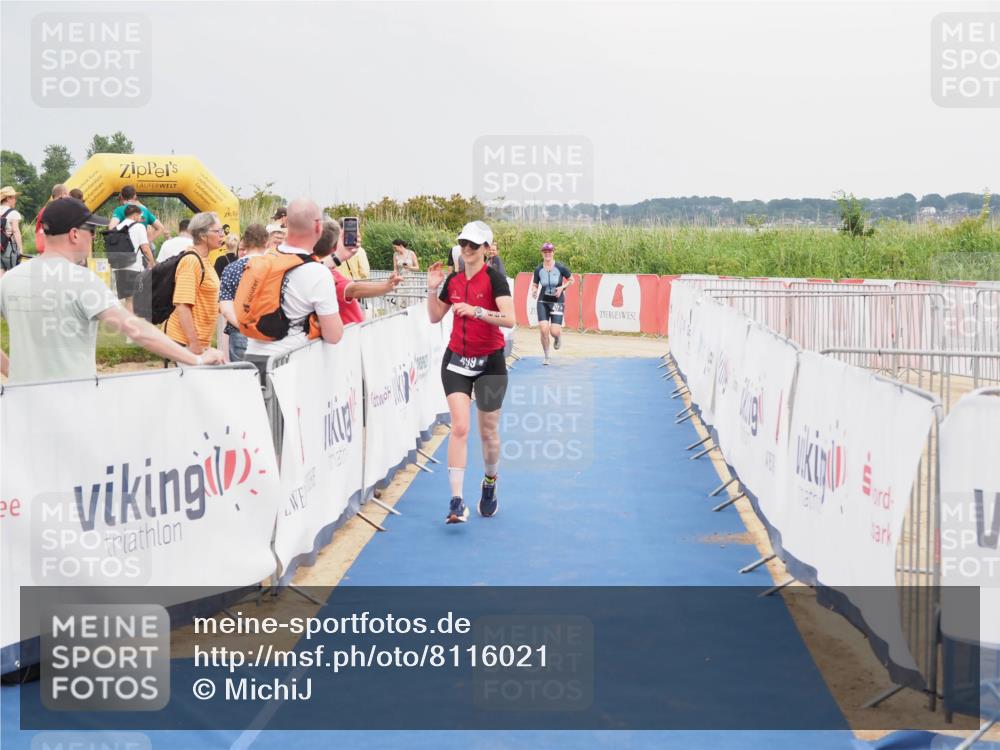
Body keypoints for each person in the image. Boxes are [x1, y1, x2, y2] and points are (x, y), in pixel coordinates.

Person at [0, 198, 223, 384]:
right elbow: (136, 330)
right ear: (75, 234)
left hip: (23, 403)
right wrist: (197, 360)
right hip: (72, 400)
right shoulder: (82, 280)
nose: (95, 237)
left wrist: (15, 374)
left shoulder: (10, 279)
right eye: (93, 230)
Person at [426, 220, 515, 524]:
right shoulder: (453, 281)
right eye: (463, 243)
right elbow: (435, 316)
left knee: (488, 433)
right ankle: (456, 501)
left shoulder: (495, 281)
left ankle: (490, 482)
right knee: (460, 427)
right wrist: (432, 289)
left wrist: (477, 311)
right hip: (457, 361)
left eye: (473, 245)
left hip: (490, 362)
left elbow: (510, 319)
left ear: (487, 250)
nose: (466, 249)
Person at [243, 199, 343, 378]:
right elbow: (334, 335)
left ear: (286, 223)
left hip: (252, 359)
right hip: (288, 366)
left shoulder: (265, 258)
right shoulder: (317, 273)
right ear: (318, 227)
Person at [318, 220, 402, 325]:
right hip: (348, 331)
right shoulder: (329, 276)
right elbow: (356, 285)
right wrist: (385, 286)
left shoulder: (312, 266)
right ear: (334, 245)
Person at [164, 212, 223, 358]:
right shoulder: (191, 261)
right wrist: (194, 344)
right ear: (203, 236)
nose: (222, 235)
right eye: (218, 231)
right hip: (184, 343)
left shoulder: (205, 260)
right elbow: (182, 305)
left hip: (199, 343)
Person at [218, 224, 268, 362]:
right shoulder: (273, 267)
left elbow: (226, 309)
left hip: (239, 331)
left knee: (242, 378)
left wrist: (244, 328)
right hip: (268, 331)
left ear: (244, 243)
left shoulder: (230, 269)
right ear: (266, 242)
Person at [531, 242, 573, 365]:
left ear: (553, 253)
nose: (547, 254)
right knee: (543, 329)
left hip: (557, 301)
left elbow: (572, 280)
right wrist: (534, 290)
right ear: (542, 253)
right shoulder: (539, 269)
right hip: (542, 301)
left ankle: (557, 337)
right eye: (545, 252)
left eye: (549, 251)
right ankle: (547, 356)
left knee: (554, 331)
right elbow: (535, 283)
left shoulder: (560, 267)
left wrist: (562, 287)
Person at [113, 204, 157, 313]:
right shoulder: (139, 227)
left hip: (119, 267)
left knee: (128, 299)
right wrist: (152, 262)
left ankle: (129, 326)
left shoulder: (117, 227)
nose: (140, 218)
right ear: (135, 215)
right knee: (135, 299)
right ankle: (134, 326)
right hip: (133, 267)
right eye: (140, 216)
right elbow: (145, 248)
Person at [34, 183, 69, 255]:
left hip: (43, 251)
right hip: (56, 252)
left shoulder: (43, 209)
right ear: (62, 194)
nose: (68, 197)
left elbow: (37, 229)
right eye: (67, 194)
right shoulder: (61, 210)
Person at [0, 186, 24, 273]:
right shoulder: (13, 213)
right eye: (14, 198)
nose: (15, 200)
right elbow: (15, 231)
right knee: (13, 273)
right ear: (8, 198)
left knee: (1, 273)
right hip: (10, 248)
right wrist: (20, 249)